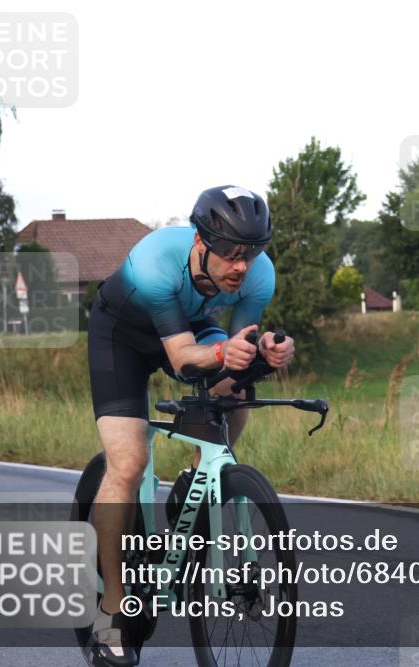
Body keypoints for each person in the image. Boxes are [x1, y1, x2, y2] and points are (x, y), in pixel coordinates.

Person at [85, 185, 295, 666]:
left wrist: (265, 351)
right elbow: (182, 359)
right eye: (231, 253)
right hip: (122, 336)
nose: (241, 266)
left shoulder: (259, 275)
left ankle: (197, 482)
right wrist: (223, 351)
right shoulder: (156, 260)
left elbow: (238, 346)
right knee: (129, 462)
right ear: (201, 241)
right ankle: (110, 611)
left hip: (191, 328)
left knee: (237, 388)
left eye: (252, 253)